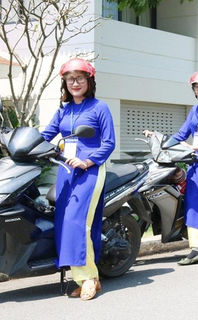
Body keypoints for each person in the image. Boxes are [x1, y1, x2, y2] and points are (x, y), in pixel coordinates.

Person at [41, 58, 115, 300]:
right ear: (65, 83)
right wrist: (15, 139)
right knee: (64, 222)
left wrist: (88, 161)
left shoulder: (99, 108)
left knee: (77, 222)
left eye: (80, 79)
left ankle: (89, 279)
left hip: (89, 169)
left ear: (89, 81)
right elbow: (46, 135)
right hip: (65, 170)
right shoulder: (64, 109)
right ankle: (83, 277)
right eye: (70, 79)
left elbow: (109, 142)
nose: (75, 83)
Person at [146, 70, 198, 265]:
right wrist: (162, 141)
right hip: (193, 160)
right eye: (197, 87)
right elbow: (182, 133)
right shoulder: (194, 110)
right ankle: (195, 248)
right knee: (192, 202)